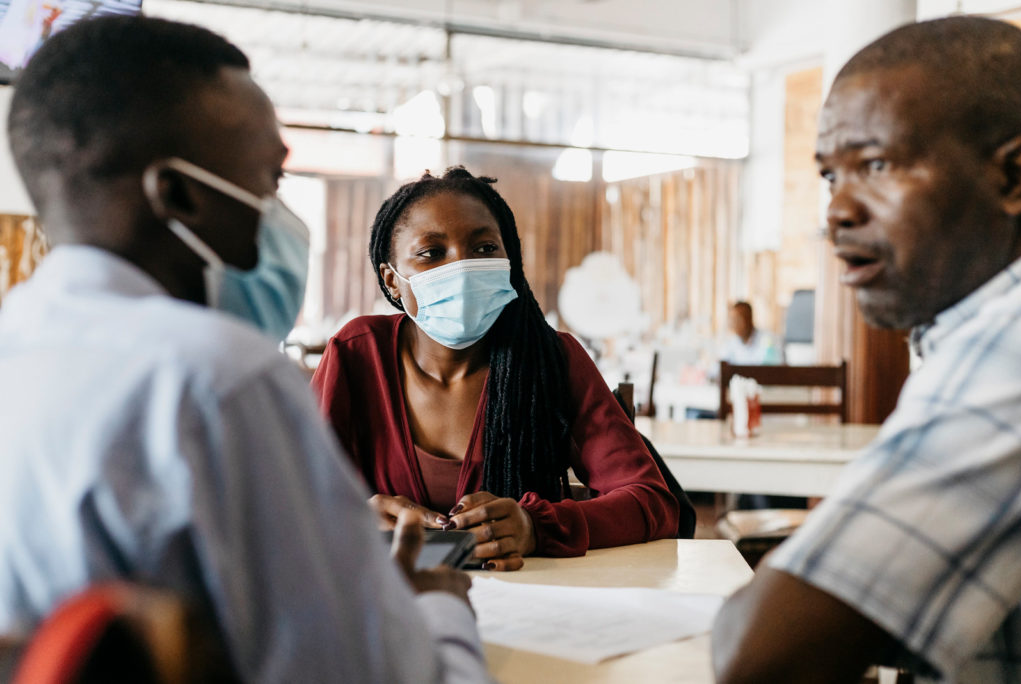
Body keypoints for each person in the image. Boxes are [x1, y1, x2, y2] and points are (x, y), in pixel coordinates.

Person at [0, 16, 491, 683]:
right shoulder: (216, 378)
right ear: (177, 195)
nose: (278, 214)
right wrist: (438, 609)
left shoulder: (17, 345)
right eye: (270, 180)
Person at [712, 16, 1021, 684]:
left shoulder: (1012, 345)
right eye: (831, 176)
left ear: (1014, 176)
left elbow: (759, 656)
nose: (836, 212)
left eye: (877, 165)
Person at [311, 168, 681, 571]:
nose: (462, 267)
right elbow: (287, 497)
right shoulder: (357, 354)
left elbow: (652, 501)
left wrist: (535, 527)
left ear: (510, 260)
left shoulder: (550, 359)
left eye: (484, 248)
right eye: (432, 253)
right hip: (388, 607)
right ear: (392, 281)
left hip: (527, 603)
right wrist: (351, 518)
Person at [719, 301, 781, 365]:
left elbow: (773, 368)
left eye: (738, 319)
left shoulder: (768, 339)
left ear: (749, 319)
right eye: (732, 320)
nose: (734, 324)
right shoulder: (730, 343)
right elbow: (716, 369)